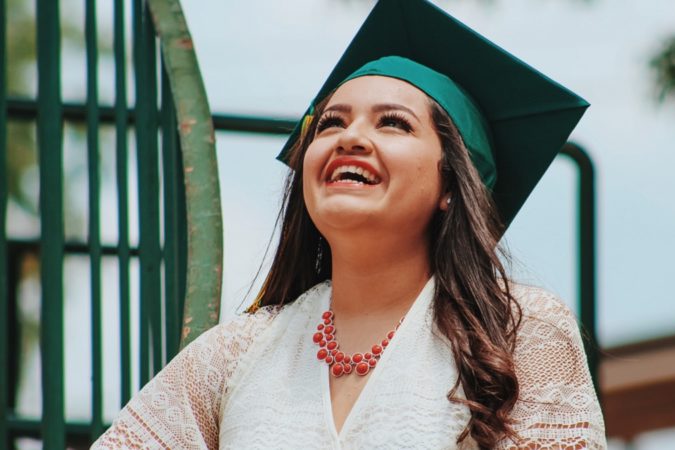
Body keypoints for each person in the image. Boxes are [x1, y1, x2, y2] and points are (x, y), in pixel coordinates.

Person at [93, 0, 605, 448]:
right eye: (332, 122)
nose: (350, 138)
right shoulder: (235, 355)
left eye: (393, 123)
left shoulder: (518, 333)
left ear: (452, 184)